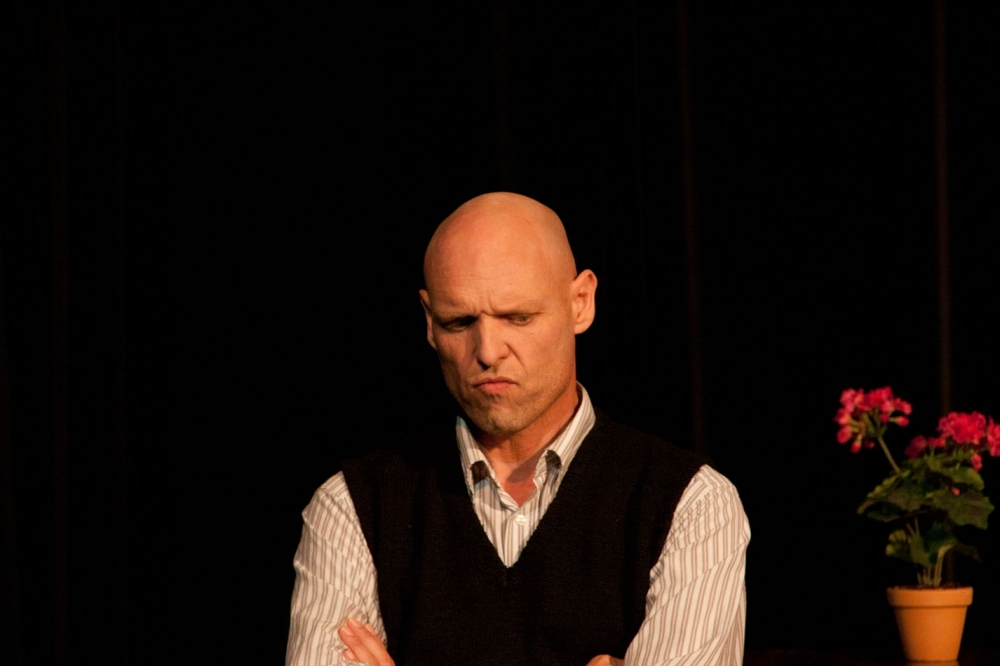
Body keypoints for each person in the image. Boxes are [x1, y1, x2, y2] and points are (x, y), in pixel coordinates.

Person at [286, 192, 749, 665]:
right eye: (458, 322)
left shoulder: (692, 505)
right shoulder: (351, 507)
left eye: (518, 317)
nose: (488, 351)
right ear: (428, 322)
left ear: (581, 303)